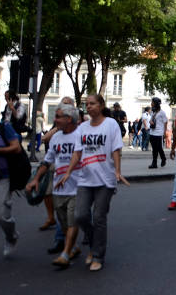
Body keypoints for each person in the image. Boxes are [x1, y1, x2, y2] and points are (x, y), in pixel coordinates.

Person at [57, 94, 128, 271]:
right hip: (85, 179)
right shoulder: (82, 128)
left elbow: (116, 150)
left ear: (101, 105)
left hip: (105, 180)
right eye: (86, 104)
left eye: (92, 103)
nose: (88, 107)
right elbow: (77, 153)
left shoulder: (111, 124)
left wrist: (118, 171)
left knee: (98, 218)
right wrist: (68, 172)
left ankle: (97, 255)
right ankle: (94, 245)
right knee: (80, 216)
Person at [26, 103, 82, 267]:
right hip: (59, 187)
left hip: (77, 187)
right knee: (63, 223)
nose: (54, 119)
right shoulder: (56, 137)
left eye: (58, 117)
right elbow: (48, 160)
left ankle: (65, 254)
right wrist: (36, 179)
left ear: (69, 119)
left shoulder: (81, 135)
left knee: (72, 222)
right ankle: (73, 247)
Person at [0, 105, 21, 257]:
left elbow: (16, 147)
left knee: (0, 215)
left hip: (1, 177)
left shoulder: (4, 128)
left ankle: (11, 236)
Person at [148, 98, 167, 168]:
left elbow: (165, 122)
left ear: (156, 103)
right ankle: (154, 163)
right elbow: (150, 120)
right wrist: (151, 122)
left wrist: (165, 132)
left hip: (159, 133)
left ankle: (163, 158)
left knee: (159, 148)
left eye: (152, 102)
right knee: (154, 149)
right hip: (152, 132)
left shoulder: (162, 113)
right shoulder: (153, 112)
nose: (151, 103)